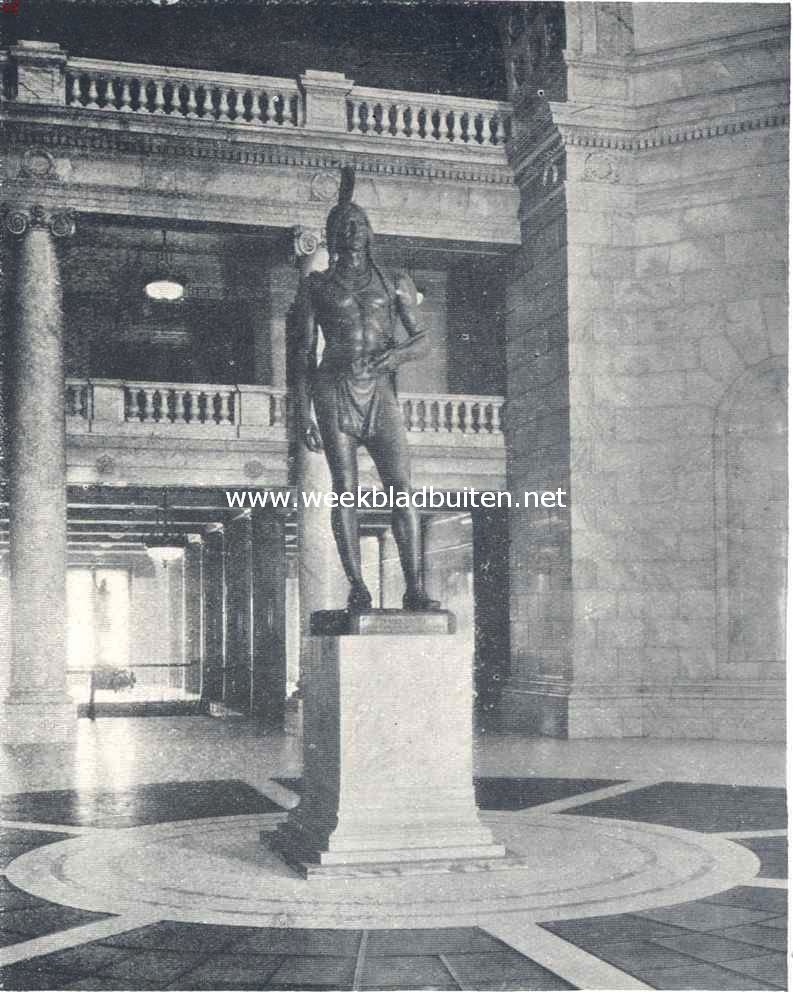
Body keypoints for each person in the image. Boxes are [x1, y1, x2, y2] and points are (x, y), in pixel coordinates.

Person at [292, 168, 440, 613]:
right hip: (334, 384)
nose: (352, 229)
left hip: (379, 388)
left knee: (403, 489)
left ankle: (414, 588)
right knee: (346, 489)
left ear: (370, 231)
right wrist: (302, 413)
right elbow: (301, 353)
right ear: (333, 235)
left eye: (359, 222)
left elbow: (423, 339)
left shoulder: (394, 281)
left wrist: (395, 357)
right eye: (344, 224)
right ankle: (357, 585)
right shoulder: (316, 285)